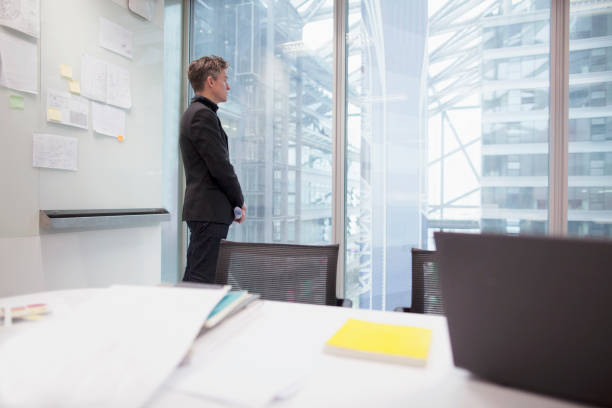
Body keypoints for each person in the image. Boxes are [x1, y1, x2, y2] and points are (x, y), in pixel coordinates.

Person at [180, 55, 246, 283]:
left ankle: (186, 317)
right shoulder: (202, 115)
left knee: (197, 274)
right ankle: (192, 318)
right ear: (210, 82)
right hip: (208, 211)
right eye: (224, 80)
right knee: (202, 278)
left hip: (206, 211)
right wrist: (238, 200)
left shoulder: (199, 113)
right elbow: (220, 166)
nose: (227, 86)